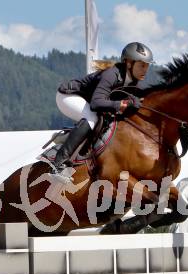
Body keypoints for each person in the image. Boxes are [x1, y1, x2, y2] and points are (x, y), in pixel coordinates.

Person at [51, 42, 154, 177]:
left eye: (147, 65)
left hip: (87, 100)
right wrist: (120, 105)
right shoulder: (111, 75)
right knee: (92, 118)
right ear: (129, 63)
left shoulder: (132, 80)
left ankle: (67, 138)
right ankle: (58, 164)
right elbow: (96, 103)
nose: (145, 69)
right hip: (68, 96)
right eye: (142, 65)